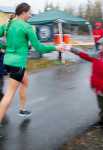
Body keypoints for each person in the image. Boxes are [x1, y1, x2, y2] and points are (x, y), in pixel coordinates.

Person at [0, 2, 63, 138]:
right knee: (9, 94)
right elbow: (39, 48)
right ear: (23, 12)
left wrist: (3, 47)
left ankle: (22, 110)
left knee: (26, 82)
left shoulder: (8, 24)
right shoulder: (27, 27)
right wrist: (56, 48)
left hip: (8, 61)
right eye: (29, 13)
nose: (30, 15)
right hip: (18, 64)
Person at [70, 35, 103, 132]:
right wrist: (72, 49)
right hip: (97, 87)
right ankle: (102, 120)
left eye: (101, 45)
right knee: (101, 106)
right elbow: (86, 55)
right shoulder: (97, 55)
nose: (99, 46)